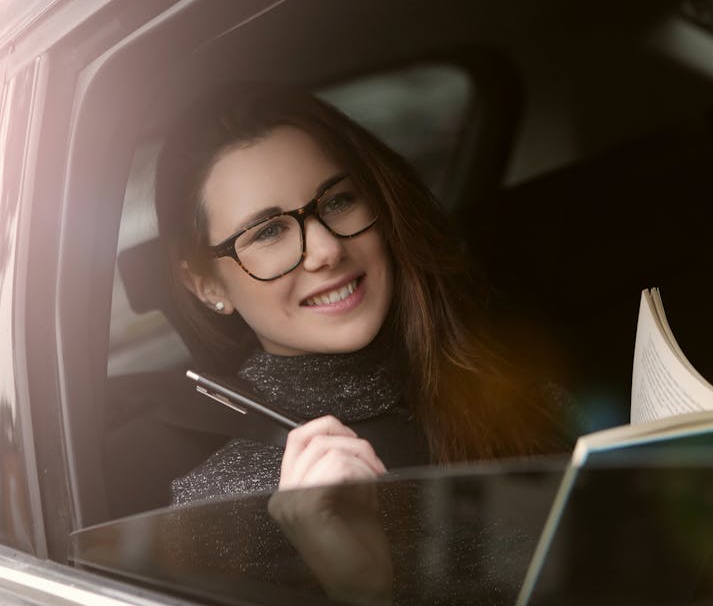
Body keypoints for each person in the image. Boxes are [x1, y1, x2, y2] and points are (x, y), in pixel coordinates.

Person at [154, 82, 572, 506]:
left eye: (337, 201)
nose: (327, 250)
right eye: (269, 232)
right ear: (206, 285)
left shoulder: (508, 380)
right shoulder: (218, 506)